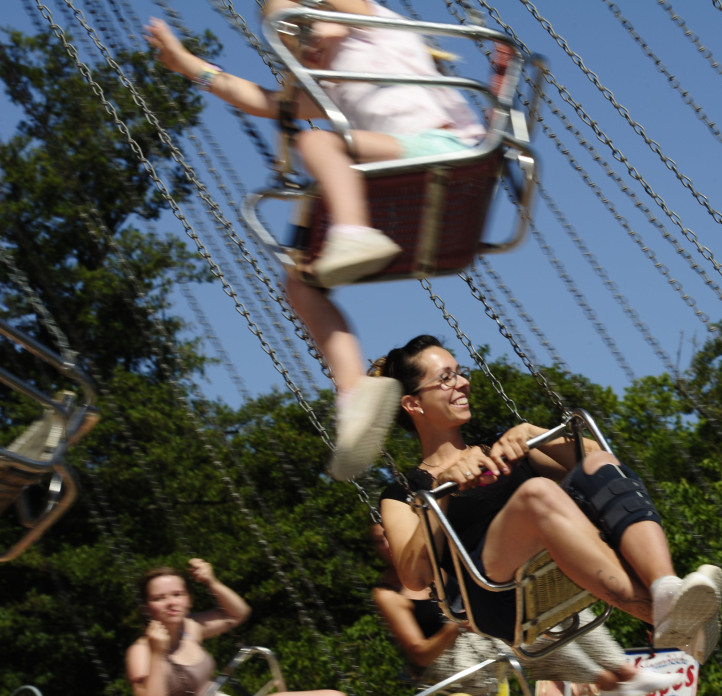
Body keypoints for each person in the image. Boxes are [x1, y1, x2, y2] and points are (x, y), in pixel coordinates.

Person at [144, 0, 486, 479]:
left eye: (304, 26)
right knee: (299, 286)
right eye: (287, 39)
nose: (301, 43)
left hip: (444, 148)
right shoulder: (328, 84)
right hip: (405, 178)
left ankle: (352, 232)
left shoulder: (372, 28)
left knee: (316, 142)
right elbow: (259, 99)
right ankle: (353, 394)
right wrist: (185, 64)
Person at [375, 335, 722, 663]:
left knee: (597, 464)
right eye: (446, 378)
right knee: (537, 494)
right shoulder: (403, 494)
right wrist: (443, 493)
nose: (464, 383)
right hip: (495, 595)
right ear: (413, 403)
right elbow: (414, 577)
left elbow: (603, 466)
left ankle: (665, 590)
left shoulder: (503, 450)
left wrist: (533, 434)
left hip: (557, 558)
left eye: (460, 373)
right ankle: (657, 613)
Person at [369, 522, 676, 696]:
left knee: (546, 606)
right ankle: (605, 680)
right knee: (523, 634)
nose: (388, 543)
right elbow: (420, 654)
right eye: (380, 539)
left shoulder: (434, 566)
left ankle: (621, 672)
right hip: (449, 665)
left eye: (390, 533)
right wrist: (457, 626)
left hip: (473, 635)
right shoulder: (388, 594)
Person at [126, 558, 384, 696]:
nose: (171, 603)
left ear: (188, 598)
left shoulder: (190, 628)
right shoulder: (141, 652)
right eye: (159, 598)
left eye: (177, 594)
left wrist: (211, 582)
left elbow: (237, 614)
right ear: (147, 608)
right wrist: (158, 654)